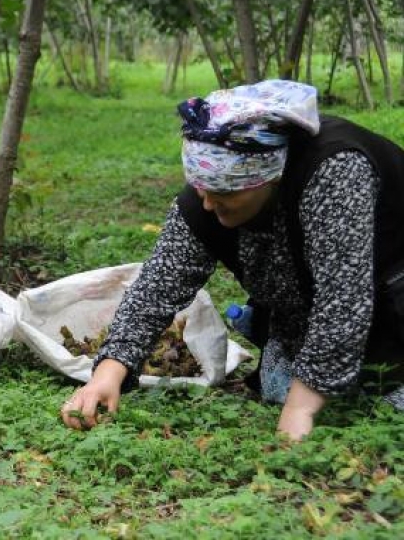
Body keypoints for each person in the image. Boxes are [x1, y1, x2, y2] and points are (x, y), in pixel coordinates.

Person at [61, 80, 404, 440]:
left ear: (266, 179)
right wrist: (107, 374)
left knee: (379, 404)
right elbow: (156, 289)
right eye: (200, 188)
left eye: (223, 192)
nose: (209, 204)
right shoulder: (207, 196)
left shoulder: (334, 170)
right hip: (304, 315)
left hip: (391, 296)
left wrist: (301, 407)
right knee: (281, 388)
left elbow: (343, 299)